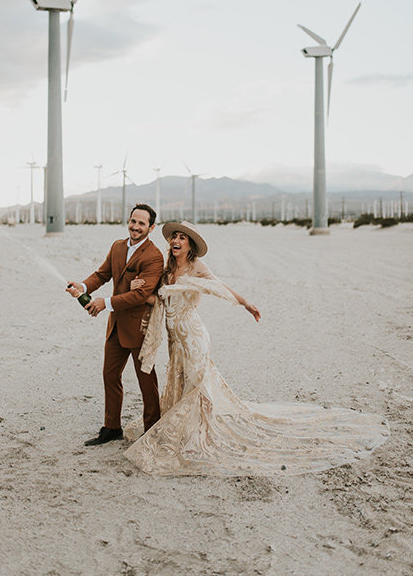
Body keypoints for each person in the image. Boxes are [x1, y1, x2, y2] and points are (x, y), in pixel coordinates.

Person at [124, 221, 389, 477]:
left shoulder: (196, 267)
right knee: (182, 383)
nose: (176, 241)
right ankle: (188, 430)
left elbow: (221, 286)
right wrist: (137, 288)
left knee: (199, 384)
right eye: (174, 237)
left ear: (190, 245)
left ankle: (202, 435)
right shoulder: (167, 270)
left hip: (193, 336)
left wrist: (246, 303)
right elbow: (156, 300)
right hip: (174, 340)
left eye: (182, 238)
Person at [66, 204, 164, 446]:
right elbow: (102, 274)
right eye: (133, 221)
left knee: (146, 380)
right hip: (116, 325)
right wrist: (83, 287)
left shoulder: (154, 256)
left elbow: (140, 296)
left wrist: (104, 303)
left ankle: (152, 429)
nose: (135, 226)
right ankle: (112, 427)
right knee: (110, 375)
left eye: (142, 223)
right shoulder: (117, 247)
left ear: (151, 228)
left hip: (139, 327)